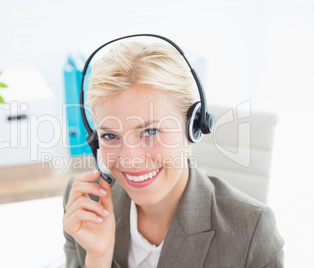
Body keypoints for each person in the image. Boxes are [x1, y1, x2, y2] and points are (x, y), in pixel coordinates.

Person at [62, 40, 284, 268]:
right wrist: (98, 260)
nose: (131, 158)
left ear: (194, 128)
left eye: (150, 131)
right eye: (110, 136)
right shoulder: (86, 205)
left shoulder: (251, 231)